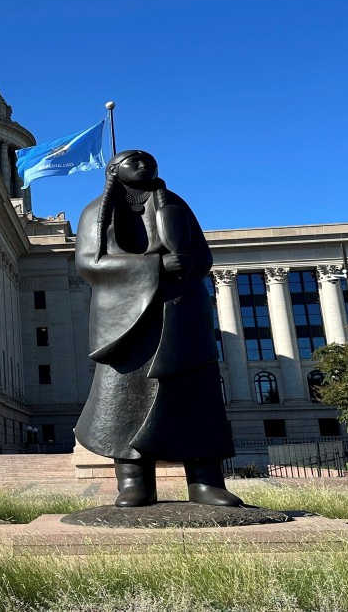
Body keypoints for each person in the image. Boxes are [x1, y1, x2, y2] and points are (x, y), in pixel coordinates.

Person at [74, 150, 242, 507]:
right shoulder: (95, 212)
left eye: (147, 159)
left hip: (180, 312)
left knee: (194, 395)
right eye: (132, 160)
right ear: (113, 170)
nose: (143, 163)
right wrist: (156, 266)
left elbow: (203, 256)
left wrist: (186, 263)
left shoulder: (176, 205)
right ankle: (134, 481)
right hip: (127, 323)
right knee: (123, 399)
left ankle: (206, 481)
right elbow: (90, 263)